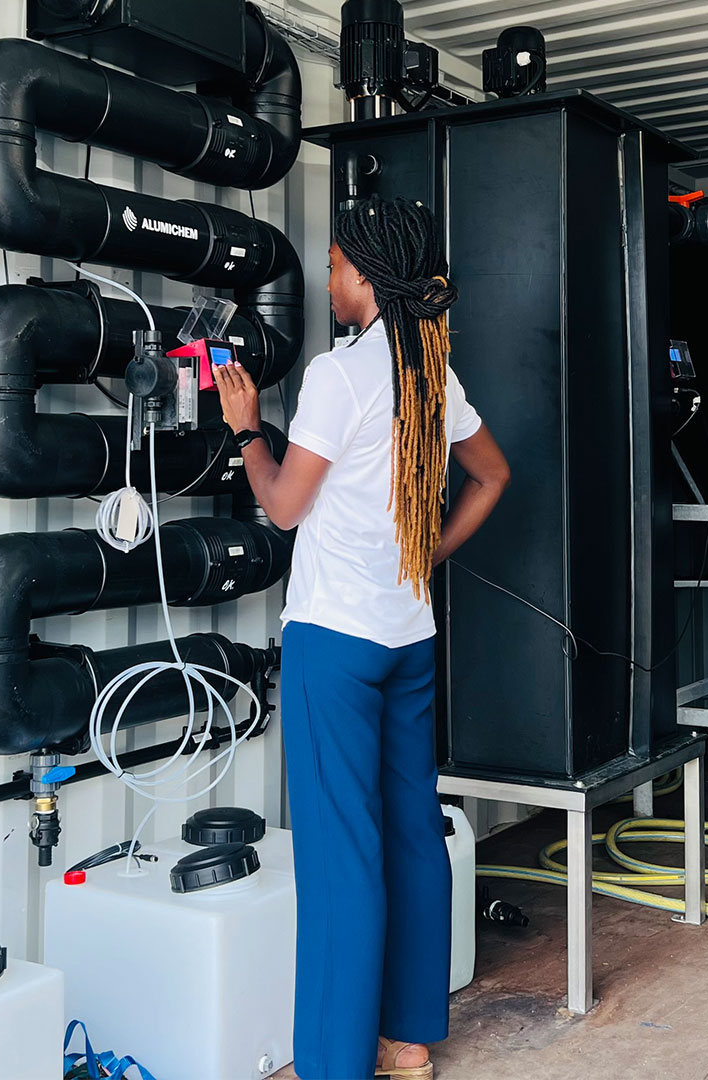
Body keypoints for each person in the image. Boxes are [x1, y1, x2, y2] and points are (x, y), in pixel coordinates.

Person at [216, 194, 511, 1080]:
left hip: (334, 646)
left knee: (342, 852)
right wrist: (426, 554)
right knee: (412, 833)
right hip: (407, 637)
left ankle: (336, 1064)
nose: (332, 278)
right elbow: (493, 477)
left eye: (340, 264)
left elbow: (283, 506)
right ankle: (408, 1042)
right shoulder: (433, 372)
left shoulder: (337, 376)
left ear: (367, 278)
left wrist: (246, 434)